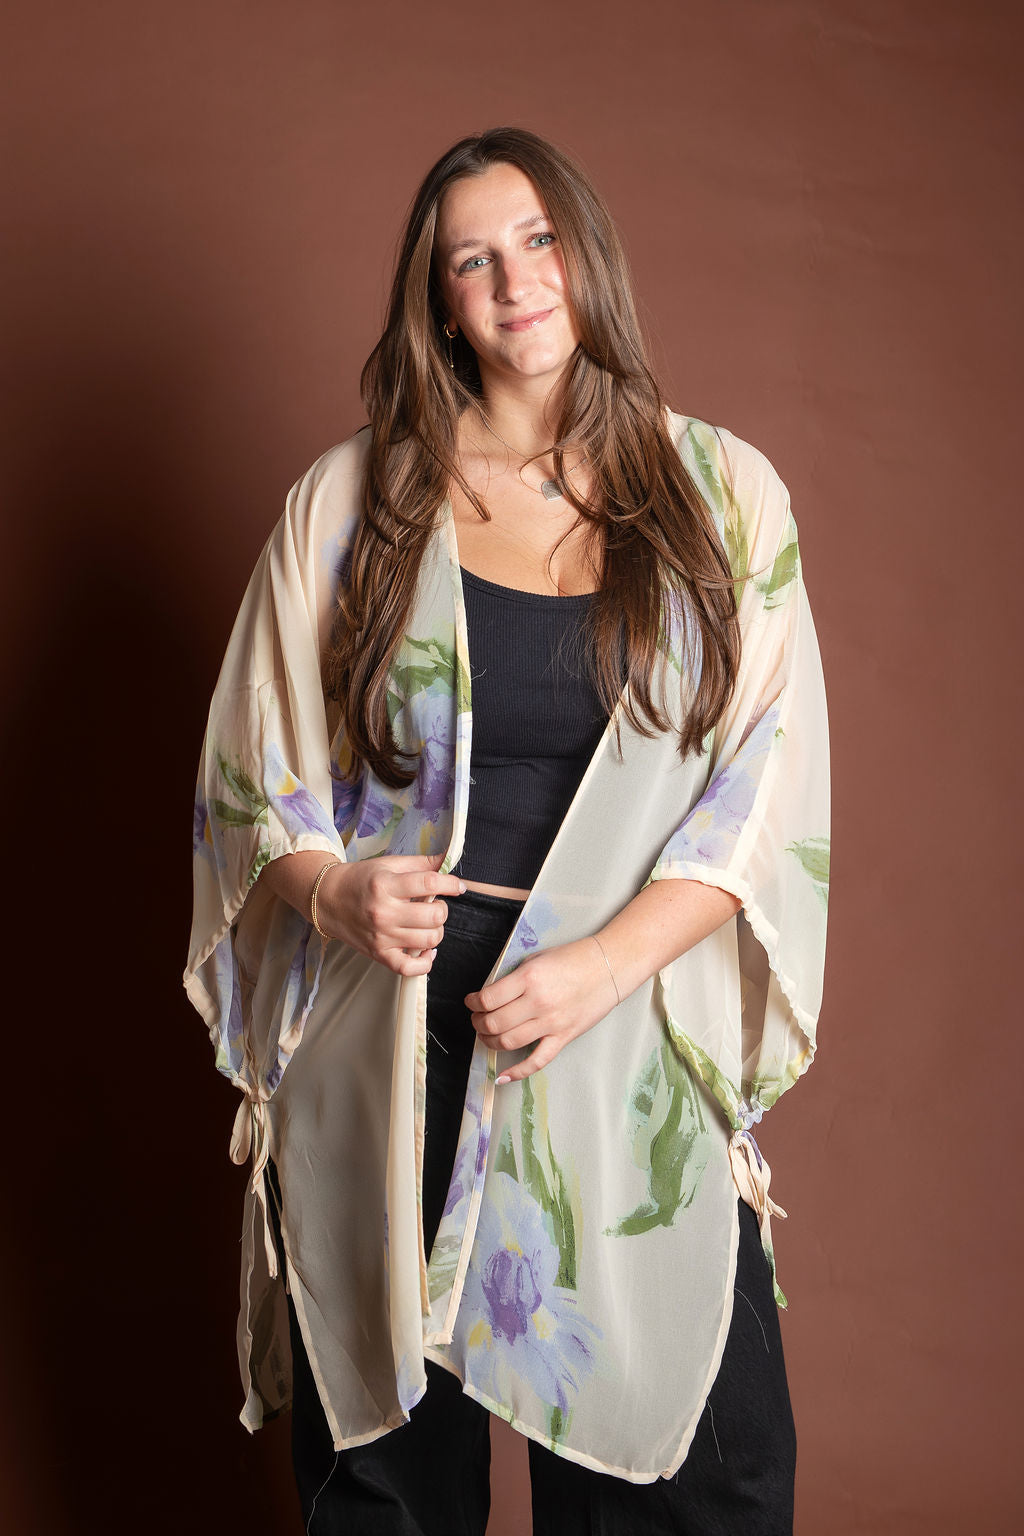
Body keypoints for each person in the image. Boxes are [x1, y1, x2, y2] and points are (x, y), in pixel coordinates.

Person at [185, 125, 830, 1535]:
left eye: (538, 241)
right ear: (438, 302)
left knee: (691, 1483)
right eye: (472, 260)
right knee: (391, 1493)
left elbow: (759, 791)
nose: (516, 282)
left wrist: (599, 970)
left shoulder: (723, 497)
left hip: (621, 1034)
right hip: (397, 1044)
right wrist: (337, 893)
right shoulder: (353, 502)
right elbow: (252, 774)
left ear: (587, 255)